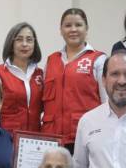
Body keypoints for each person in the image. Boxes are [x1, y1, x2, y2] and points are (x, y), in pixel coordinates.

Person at [42, 8, 107, 151]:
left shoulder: (98, 59)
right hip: (51, 138)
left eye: (78, 25)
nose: (73, 29)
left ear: (86, 28)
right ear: (60, 30)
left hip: (84, 137)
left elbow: (106, 103)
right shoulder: (51, 60)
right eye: (67, 25)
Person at [0, 22, 44, 136]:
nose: (24, 44)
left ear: (35, 44)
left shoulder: (40, 74)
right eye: (19, 39)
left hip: (35, 139)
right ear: (11, 44)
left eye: (29, 40)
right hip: (6, 137)